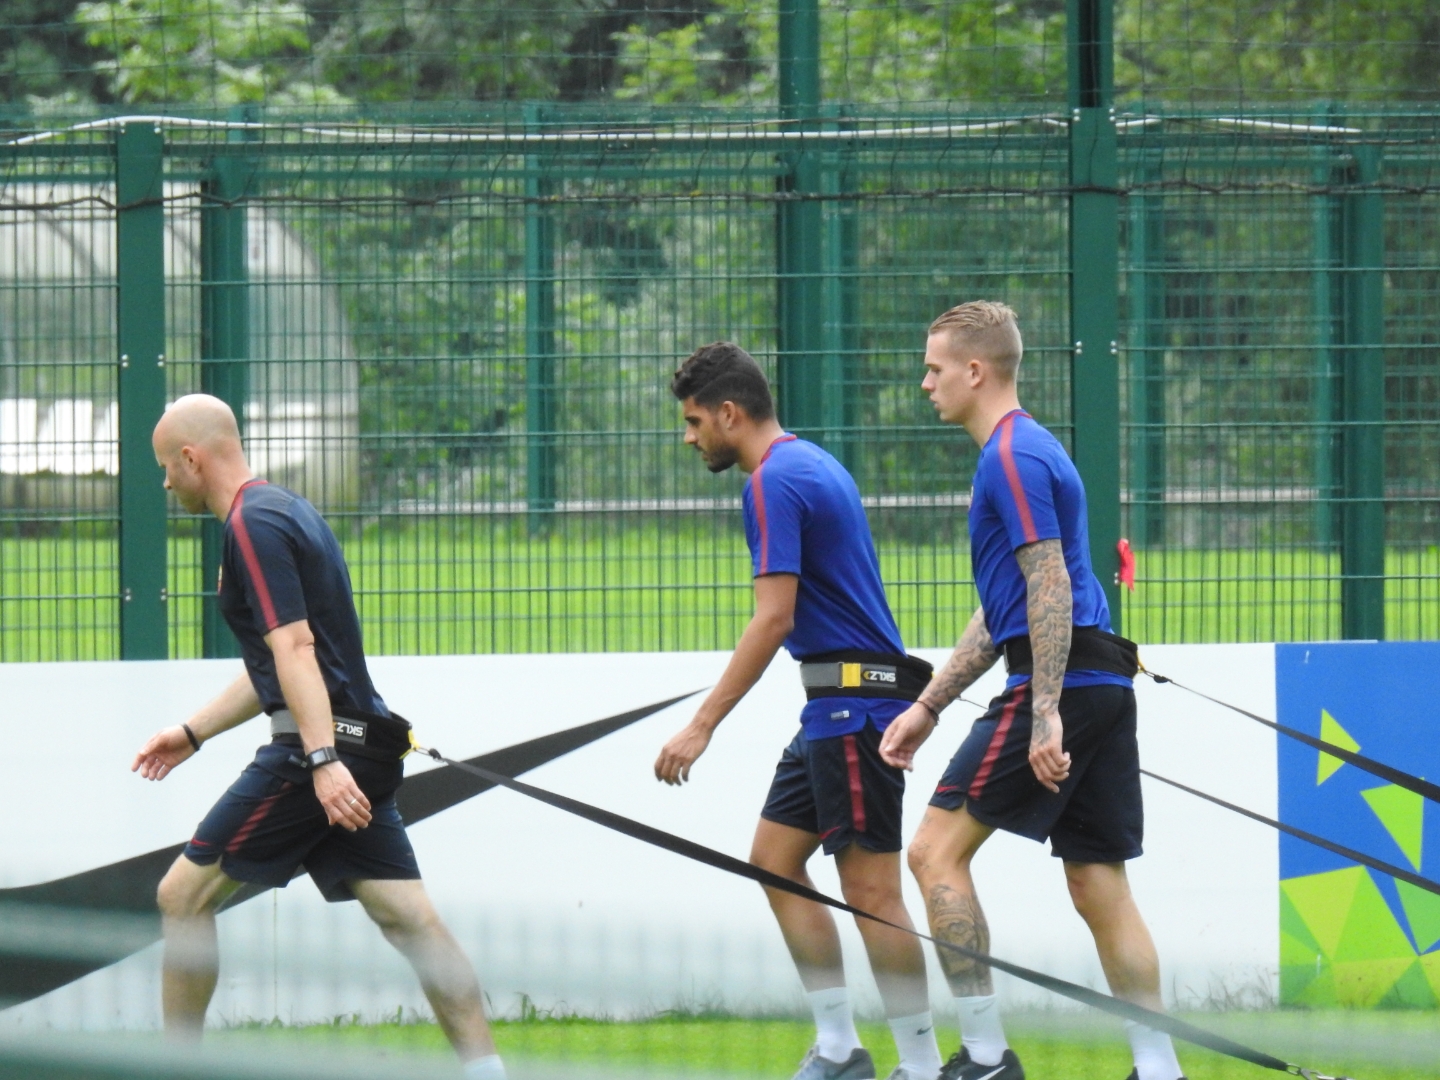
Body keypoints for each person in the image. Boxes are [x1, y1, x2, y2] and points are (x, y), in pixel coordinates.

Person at [133, 394, 505, 1080]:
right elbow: (279, 662)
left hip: (319, 755)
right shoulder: (285, 509)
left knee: (181, 897)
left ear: (191, 457)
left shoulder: (250, 524)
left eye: (165, 467)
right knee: (409, 920)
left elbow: (297, 649)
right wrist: (193, 732)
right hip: (357, 745)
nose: (164, 483)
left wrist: (322, 759)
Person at [878, 302, 1186, 1080]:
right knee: (1098, 883)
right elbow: (1008, 606)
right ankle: (1160, 1070)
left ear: (975, 371)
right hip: (1100, 681)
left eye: (934, 369)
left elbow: (1047, 582)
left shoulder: (1009, 459)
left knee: (932, 853)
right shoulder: (1031, 449)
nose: (926, 384)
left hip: (1064, 683)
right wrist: (929, 704)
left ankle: (985, 1058)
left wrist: (1044, 709)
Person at [654, 344, 943, 1080]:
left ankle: (921, 1065)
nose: (689, 437)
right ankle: (840, 1049)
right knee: (776, 863)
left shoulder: (772, 482)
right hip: (835, 708)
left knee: (872, 891)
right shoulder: (809, 461)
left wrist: (701, 725)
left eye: (693, 421)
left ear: (729, 413)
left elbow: (773, 617)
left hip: (853, 709)